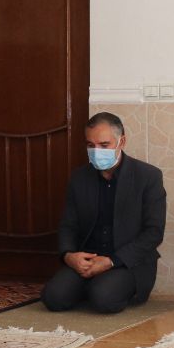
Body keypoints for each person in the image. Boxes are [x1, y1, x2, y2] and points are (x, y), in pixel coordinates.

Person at [41, 112, 167, 314]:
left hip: (126, 263)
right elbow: (68, 225)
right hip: (88, 259)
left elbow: (154, 232)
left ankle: (99, 287)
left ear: (121, 142)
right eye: (91, 145)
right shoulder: (79, 177)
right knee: (53, 298)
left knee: (104, 299)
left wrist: (110, 261)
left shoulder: (148, 176)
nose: (96, 151)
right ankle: (89, 287)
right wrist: (69, 256)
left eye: (104, 145)